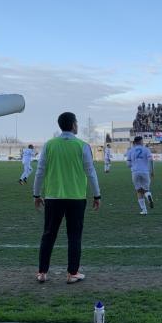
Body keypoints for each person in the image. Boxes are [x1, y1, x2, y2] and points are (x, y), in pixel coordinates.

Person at [33, 112, 101, 284]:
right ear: (73, 125)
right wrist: (97, 194)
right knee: (74, 236)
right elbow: (90, 171)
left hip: (53, 198)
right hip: (76, 198)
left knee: (48, 234)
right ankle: (72, 273)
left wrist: (36, 194)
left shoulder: (49, 145)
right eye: (76, 123)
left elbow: (40, 171)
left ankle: (42, 272)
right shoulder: (82, 146)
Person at [126, 136, 154, 215]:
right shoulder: (146, 149)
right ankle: (148, 196)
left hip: (135, 172)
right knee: (146, 190)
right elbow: (151, 160)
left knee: (138, 191)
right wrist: (152, 171)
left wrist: (134, 165)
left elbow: (128, 164)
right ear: (141, 142)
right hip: (145, 171)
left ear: (135, 142)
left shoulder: (131, 150)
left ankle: (144, 210)